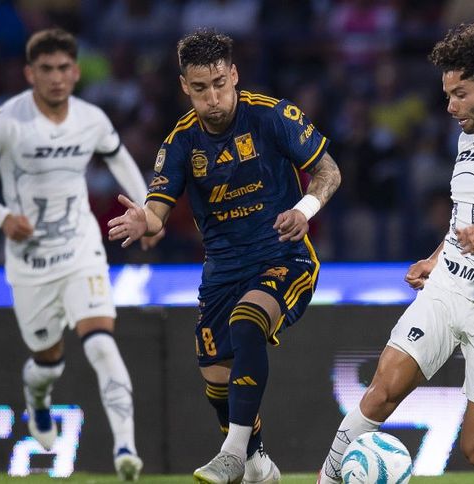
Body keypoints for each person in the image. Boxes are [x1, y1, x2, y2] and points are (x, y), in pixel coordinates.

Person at [318, 19, 474, 484]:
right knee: (382, 390)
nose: (450, 106)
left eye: (460, 94)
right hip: (448, 287)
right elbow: (464, 216)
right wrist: (437, 257)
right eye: (448, 95)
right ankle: (327, 479)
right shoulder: (467, 135)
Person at [107, 30, 341, 484]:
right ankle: (257, 464)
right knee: (217, 381)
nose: (212, 98)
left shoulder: (272, 115)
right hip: (222, 272)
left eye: (219, 84)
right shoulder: (180, 142)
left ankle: (231, 453)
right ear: (184, 86)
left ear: (233, 75)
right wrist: (143, 221)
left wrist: (304, 210)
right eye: (200, 88)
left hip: (284, 257)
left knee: (247, 321)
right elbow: (156, 212)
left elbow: (328, 169)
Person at [0, 28, 157, 481]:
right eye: (46, 69)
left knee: (101, 341)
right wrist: (3, 217)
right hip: (31, 263)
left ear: (76, 72)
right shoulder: (7, 121)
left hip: (81, 250)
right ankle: (38, 397)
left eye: (64, 68)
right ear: (30, 74)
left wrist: (145, 211)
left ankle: (126, 450)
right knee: (48, 361)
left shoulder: (91, 119)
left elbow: (119, 158)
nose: (57, 77)